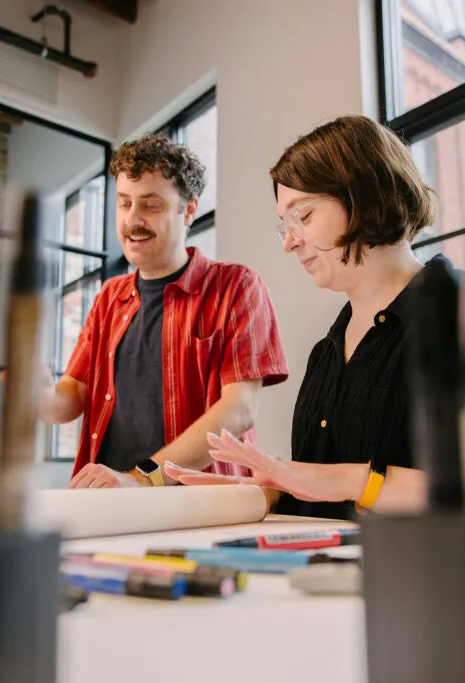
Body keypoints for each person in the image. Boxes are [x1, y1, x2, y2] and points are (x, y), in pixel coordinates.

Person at [165, 114, 444, 519]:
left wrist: (348, 480)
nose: (290, 242)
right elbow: (323, 494)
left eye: (304, 215)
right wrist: (264, 491)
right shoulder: (325, 354)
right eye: (285, 225)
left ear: (365, 196)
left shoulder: (462, 312)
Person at [37, 135, 289, 488]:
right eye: (125, 204)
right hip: (106, 498)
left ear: (188, 210)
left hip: (200, 508)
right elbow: (70, 399)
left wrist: (142, 478)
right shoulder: (109, 297)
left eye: (150, 205)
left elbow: (241, 409)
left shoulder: (236, 286)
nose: (132, 219)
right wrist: (38, 395)